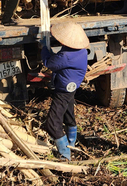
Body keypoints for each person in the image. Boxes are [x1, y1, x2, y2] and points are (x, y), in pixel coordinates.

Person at [41, 21, 89, 160]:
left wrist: (44, 48)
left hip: (63, 89)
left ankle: (64, 154)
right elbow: (60, 60)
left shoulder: (66, 56)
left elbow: (49, 63)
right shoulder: (81, 51)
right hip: (72, 87)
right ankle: (71, 143)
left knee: (52, 123)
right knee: (68, 113)